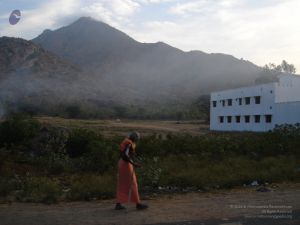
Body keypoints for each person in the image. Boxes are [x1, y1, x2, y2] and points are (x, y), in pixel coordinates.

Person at [115, 131, 148, 210]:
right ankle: (138, 204)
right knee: (133, 183)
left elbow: (126, 154)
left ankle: (118, 204)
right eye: (137, 138)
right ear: (134, 138)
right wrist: (134, 164)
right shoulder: (129, 144)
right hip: (126, 165)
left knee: (122, 183)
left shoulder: (126, 142)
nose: (137, 140)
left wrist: (133, 162)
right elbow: (126, 155)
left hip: (122, 163)